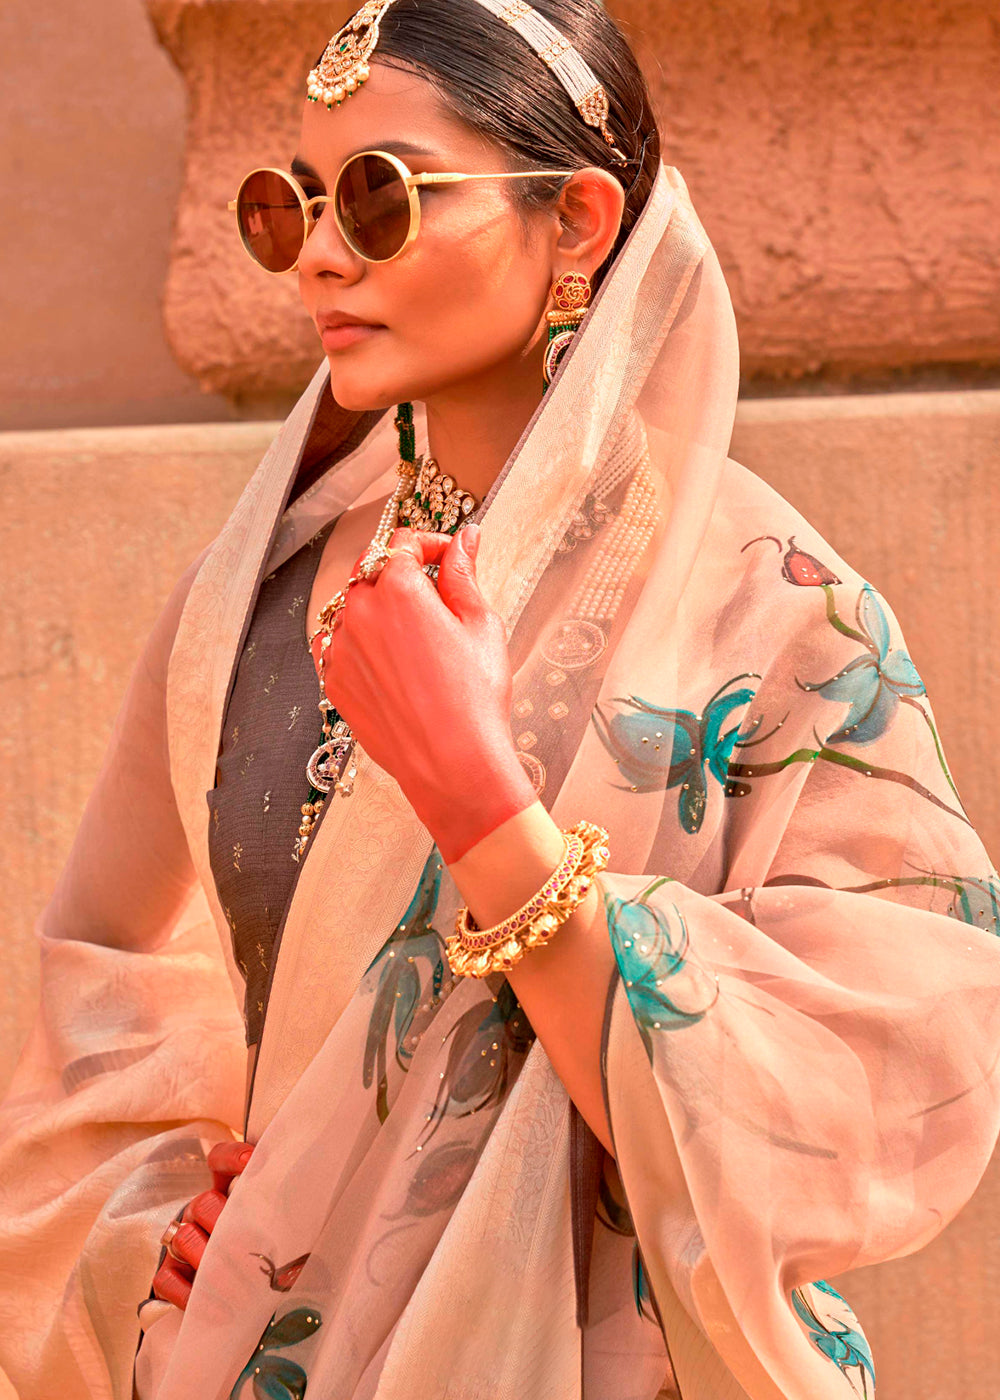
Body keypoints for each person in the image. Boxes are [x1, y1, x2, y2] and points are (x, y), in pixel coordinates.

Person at [1, 0, 999, 1396]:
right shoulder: (248, 601)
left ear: (577, 222)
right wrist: (152, 1221)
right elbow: (102, 966)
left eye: (381, 197)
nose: (322, 256)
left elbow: (899, 1061)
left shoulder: (773, 611)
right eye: (291, 206)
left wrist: (480, 805)